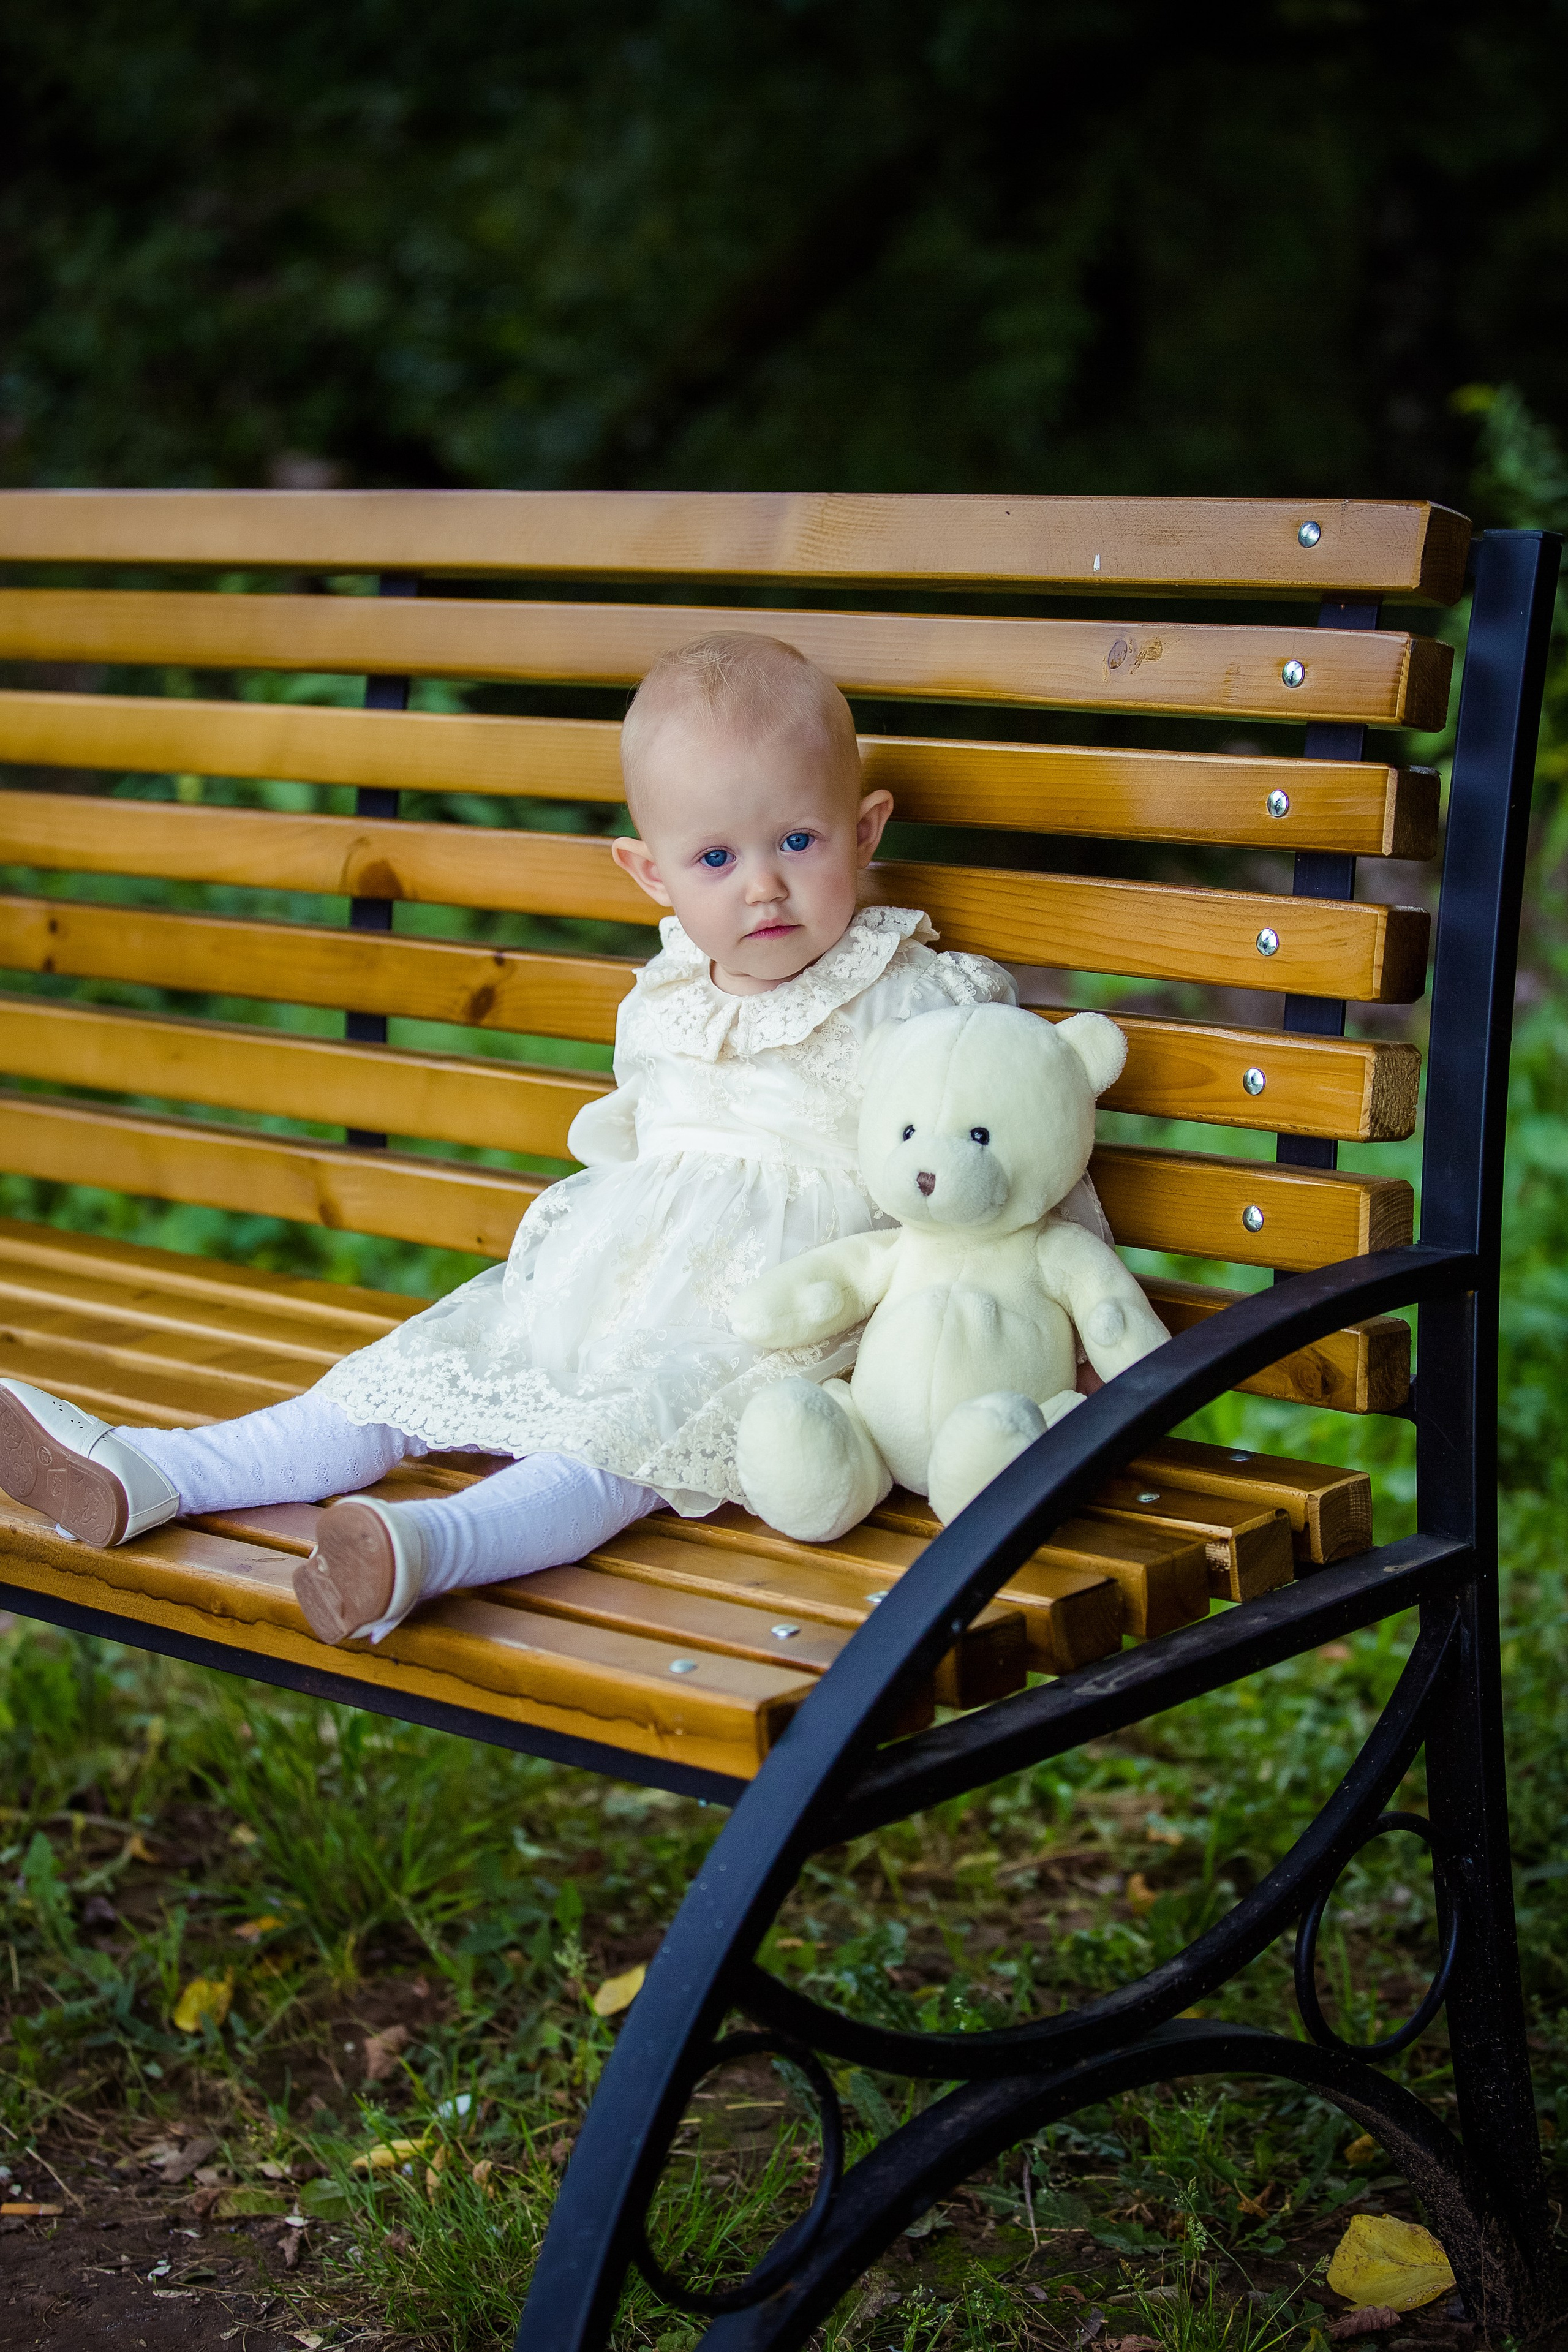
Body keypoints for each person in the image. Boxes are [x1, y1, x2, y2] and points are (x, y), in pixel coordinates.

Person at [0, 634, 1104, 1647]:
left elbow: (1014, 1164)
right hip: (604, 1277)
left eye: (798, 841)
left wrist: (1071, 1337)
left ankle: (425, 1550)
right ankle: (161, 1470)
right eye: (715, 859)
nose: (762, 885)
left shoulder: (917, 997)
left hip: (779, 1311)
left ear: (865, 831)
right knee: (410, 1377)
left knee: (619, 1444)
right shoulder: (662, 999)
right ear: (651, 875)